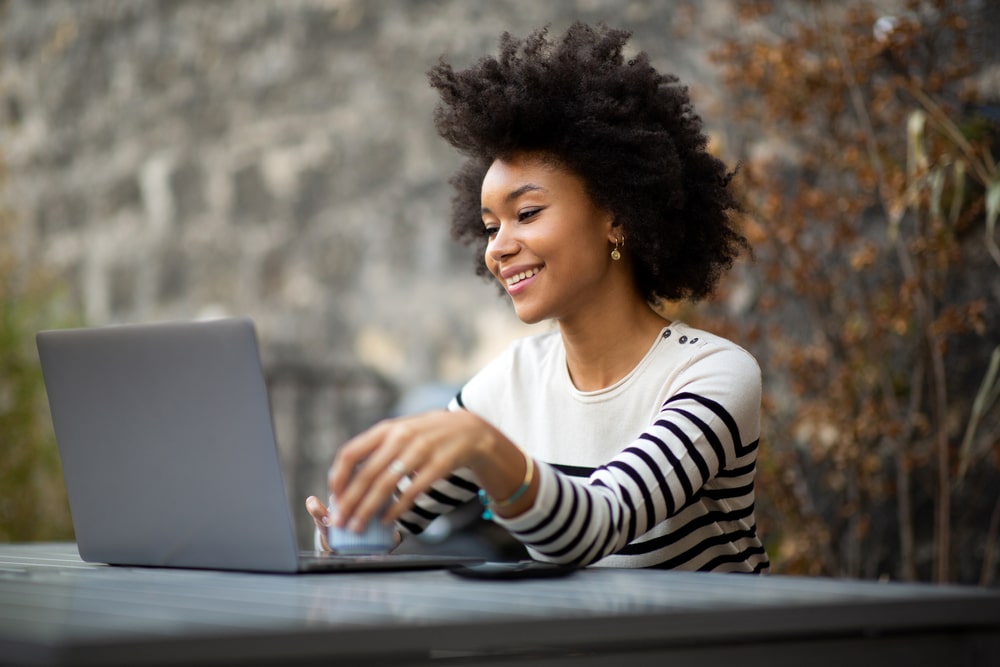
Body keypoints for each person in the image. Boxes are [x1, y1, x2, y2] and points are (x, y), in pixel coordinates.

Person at [306, 22, 769, 572]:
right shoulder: (514, 383)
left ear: (616, 215)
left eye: (526, 214)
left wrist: (487, 448)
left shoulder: (712, 374)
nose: (497, 249)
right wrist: (349, 527)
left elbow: (596, 527)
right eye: (489, 227)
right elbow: (382, 525)